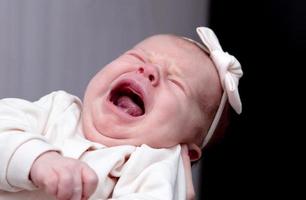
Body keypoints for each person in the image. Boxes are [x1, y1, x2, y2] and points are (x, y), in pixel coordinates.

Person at [0, 27, 243, 200]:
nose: (148, 70)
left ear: (185, 152)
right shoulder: (57, 109)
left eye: (175, 82)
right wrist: (39, 160)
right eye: (137, 57)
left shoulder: (153, 166)